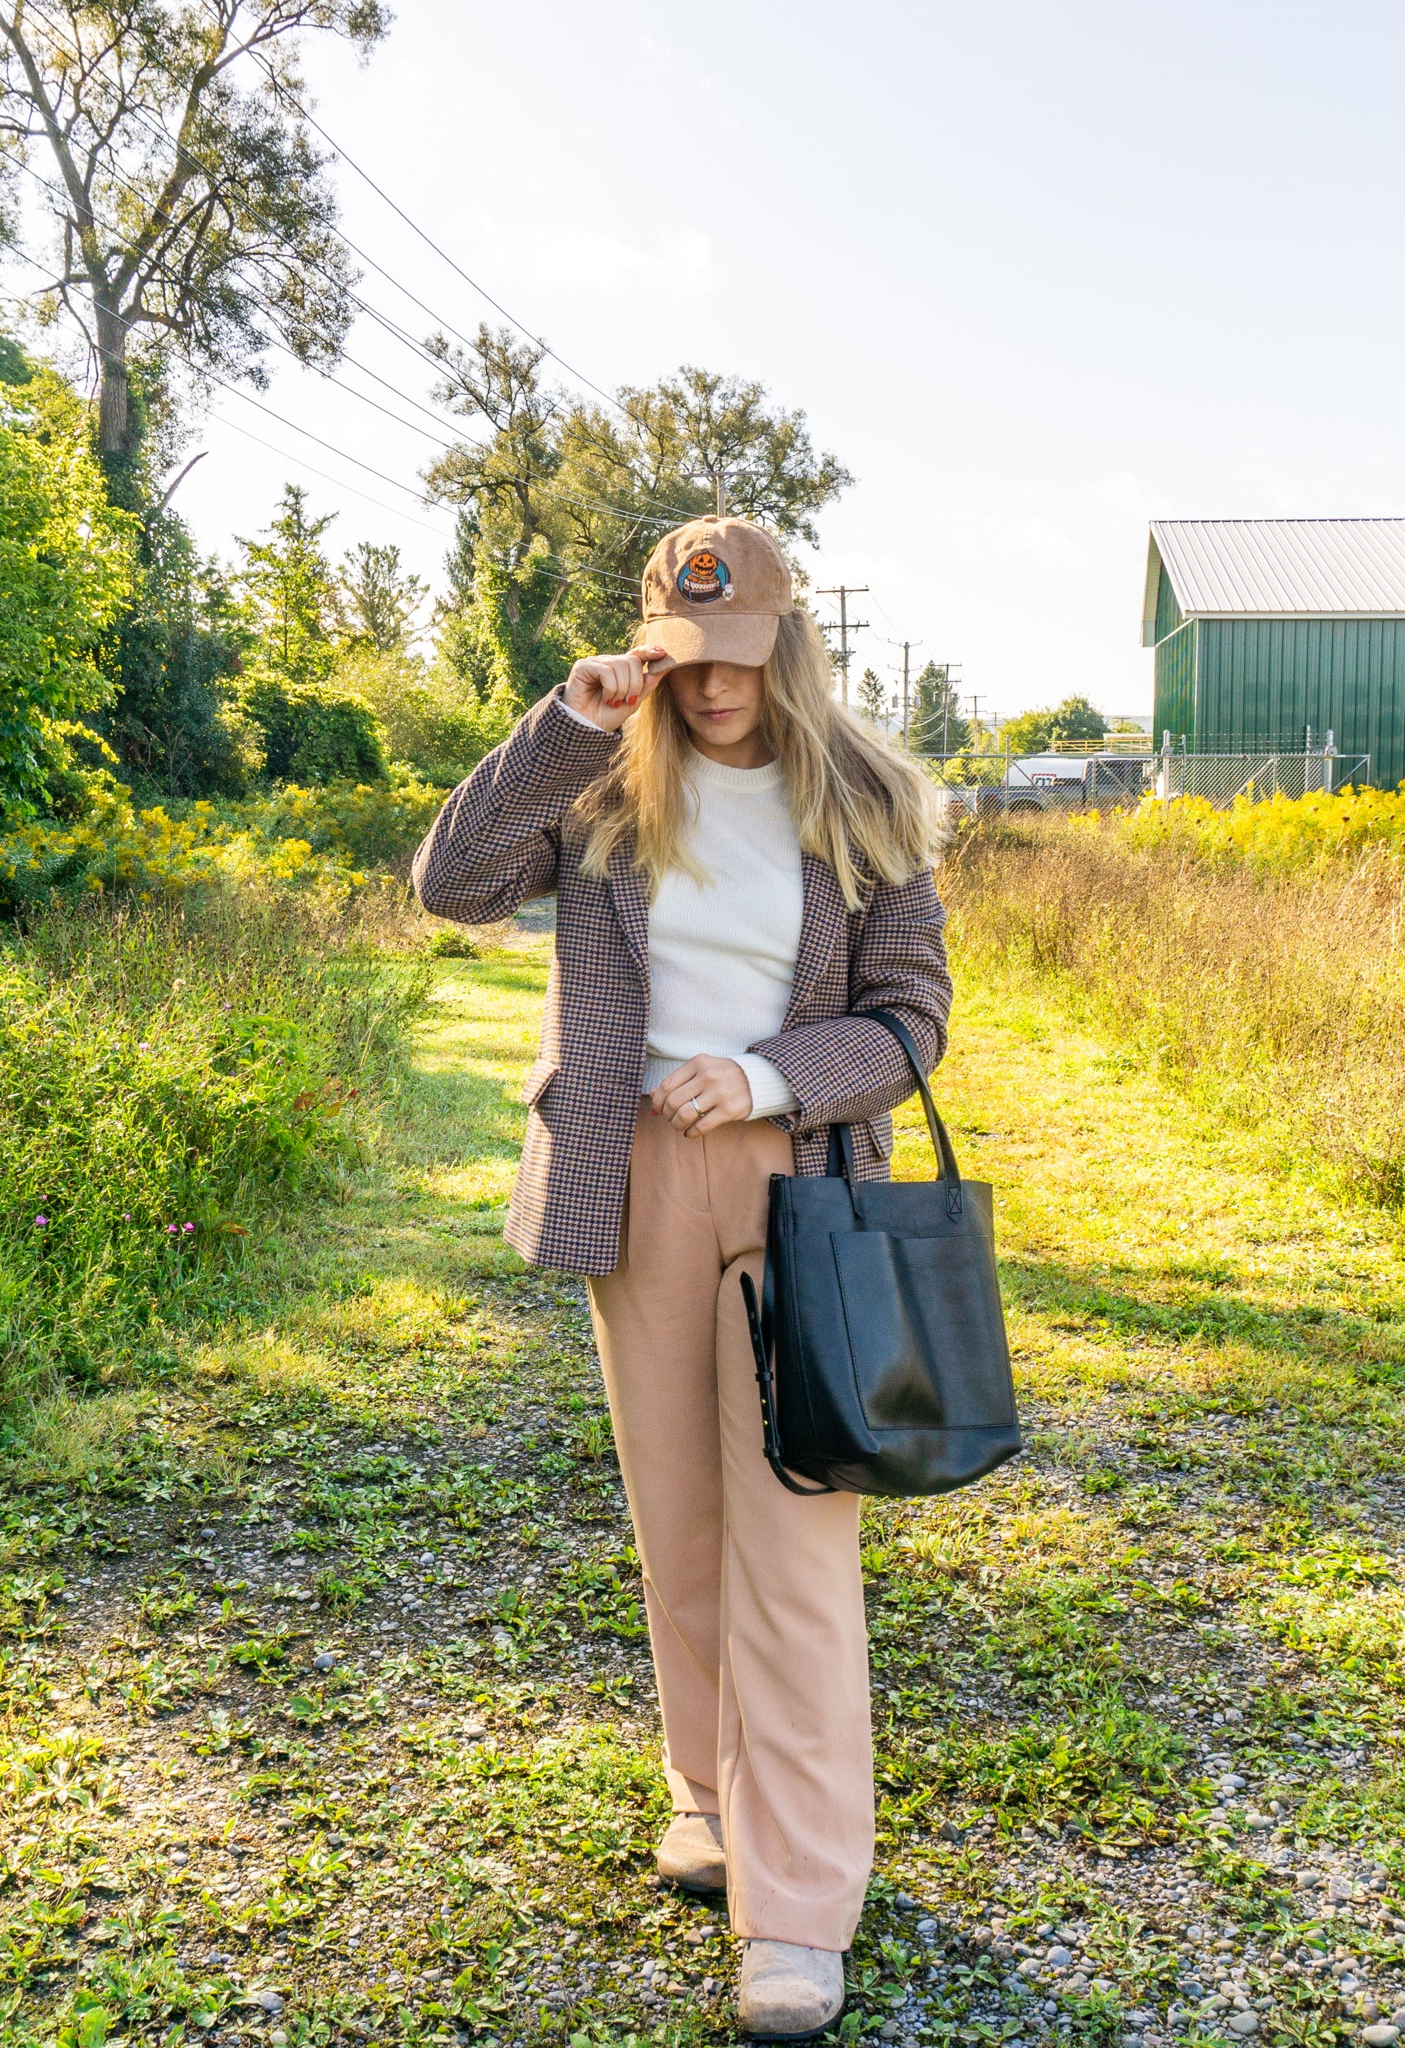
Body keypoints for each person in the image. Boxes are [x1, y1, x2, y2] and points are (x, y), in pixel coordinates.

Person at [413, 516, 950, 2039]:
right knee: (683, 1526)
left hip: (802, 1196)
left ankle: (800, 1906)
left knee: (793, 1543)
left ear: (790, 635)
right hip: (628, 1183)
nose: (716, 688)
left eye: (741, 654)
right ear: (652, 646)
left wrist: (772, 1077)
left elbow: (913, 1023)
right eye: (683, 658)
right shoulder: (594, 787)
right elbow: (450, 887)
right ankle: (706, 1796)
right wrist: (565, 722)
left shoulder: (873, 802)